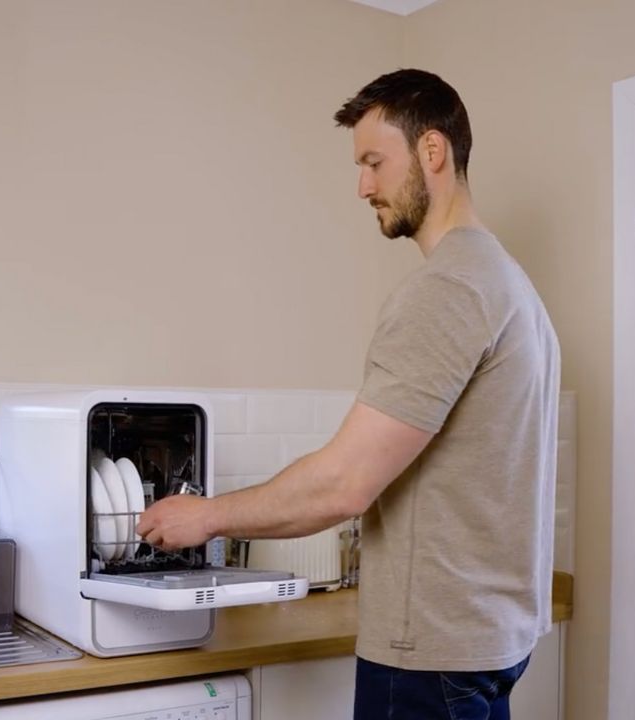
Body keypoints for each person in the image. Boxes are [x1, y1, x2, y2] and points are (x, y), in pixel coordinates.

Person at [136, 68, 560, 720]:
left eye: (373, 162)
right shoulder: (509, 283)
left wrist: (207, 515)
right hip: (489, 643)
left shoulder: (448, 288)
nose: (363, 186)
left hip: (431, 655)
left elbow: (344, 484)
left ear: (433, 151)